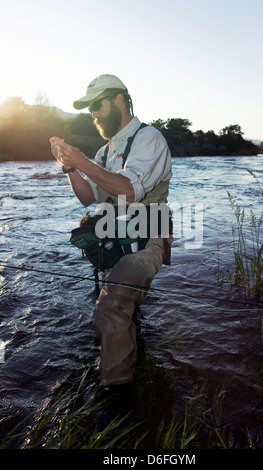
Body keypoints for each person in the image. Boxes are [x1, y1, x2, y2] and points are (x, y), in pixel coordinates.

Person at [50, 74, 172, 428]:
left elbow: (128, 191)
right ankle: (133, 350)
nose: (94, 114)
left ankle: (118, 406)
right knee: (121, 311)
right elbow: (89, 196)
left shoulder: (149, 138)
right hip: (115, 240)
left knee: (109, 308)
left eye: (97, 105)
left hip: (148, 239)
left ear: (119, 100)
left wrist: (82, 159)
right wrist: (71, 167)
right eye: (89, 110)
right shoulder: (105, 151)